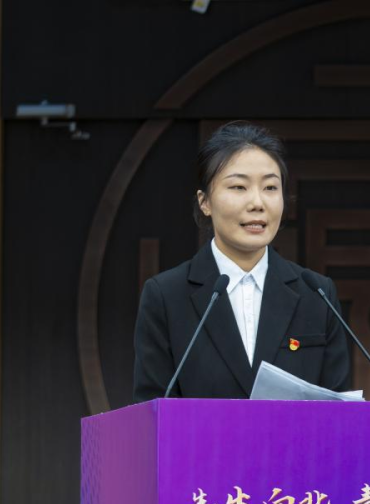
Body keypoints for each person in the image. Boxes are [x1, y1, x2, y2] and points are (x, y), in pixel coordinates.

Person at [132, 122, 350, 402]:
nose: (257, 203)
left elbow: (339, 410)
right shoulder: (166, 296)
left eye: (270, 187)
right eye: (239, 187)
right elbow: (152, 411)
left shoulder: (317, 294)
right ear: (205, 202)